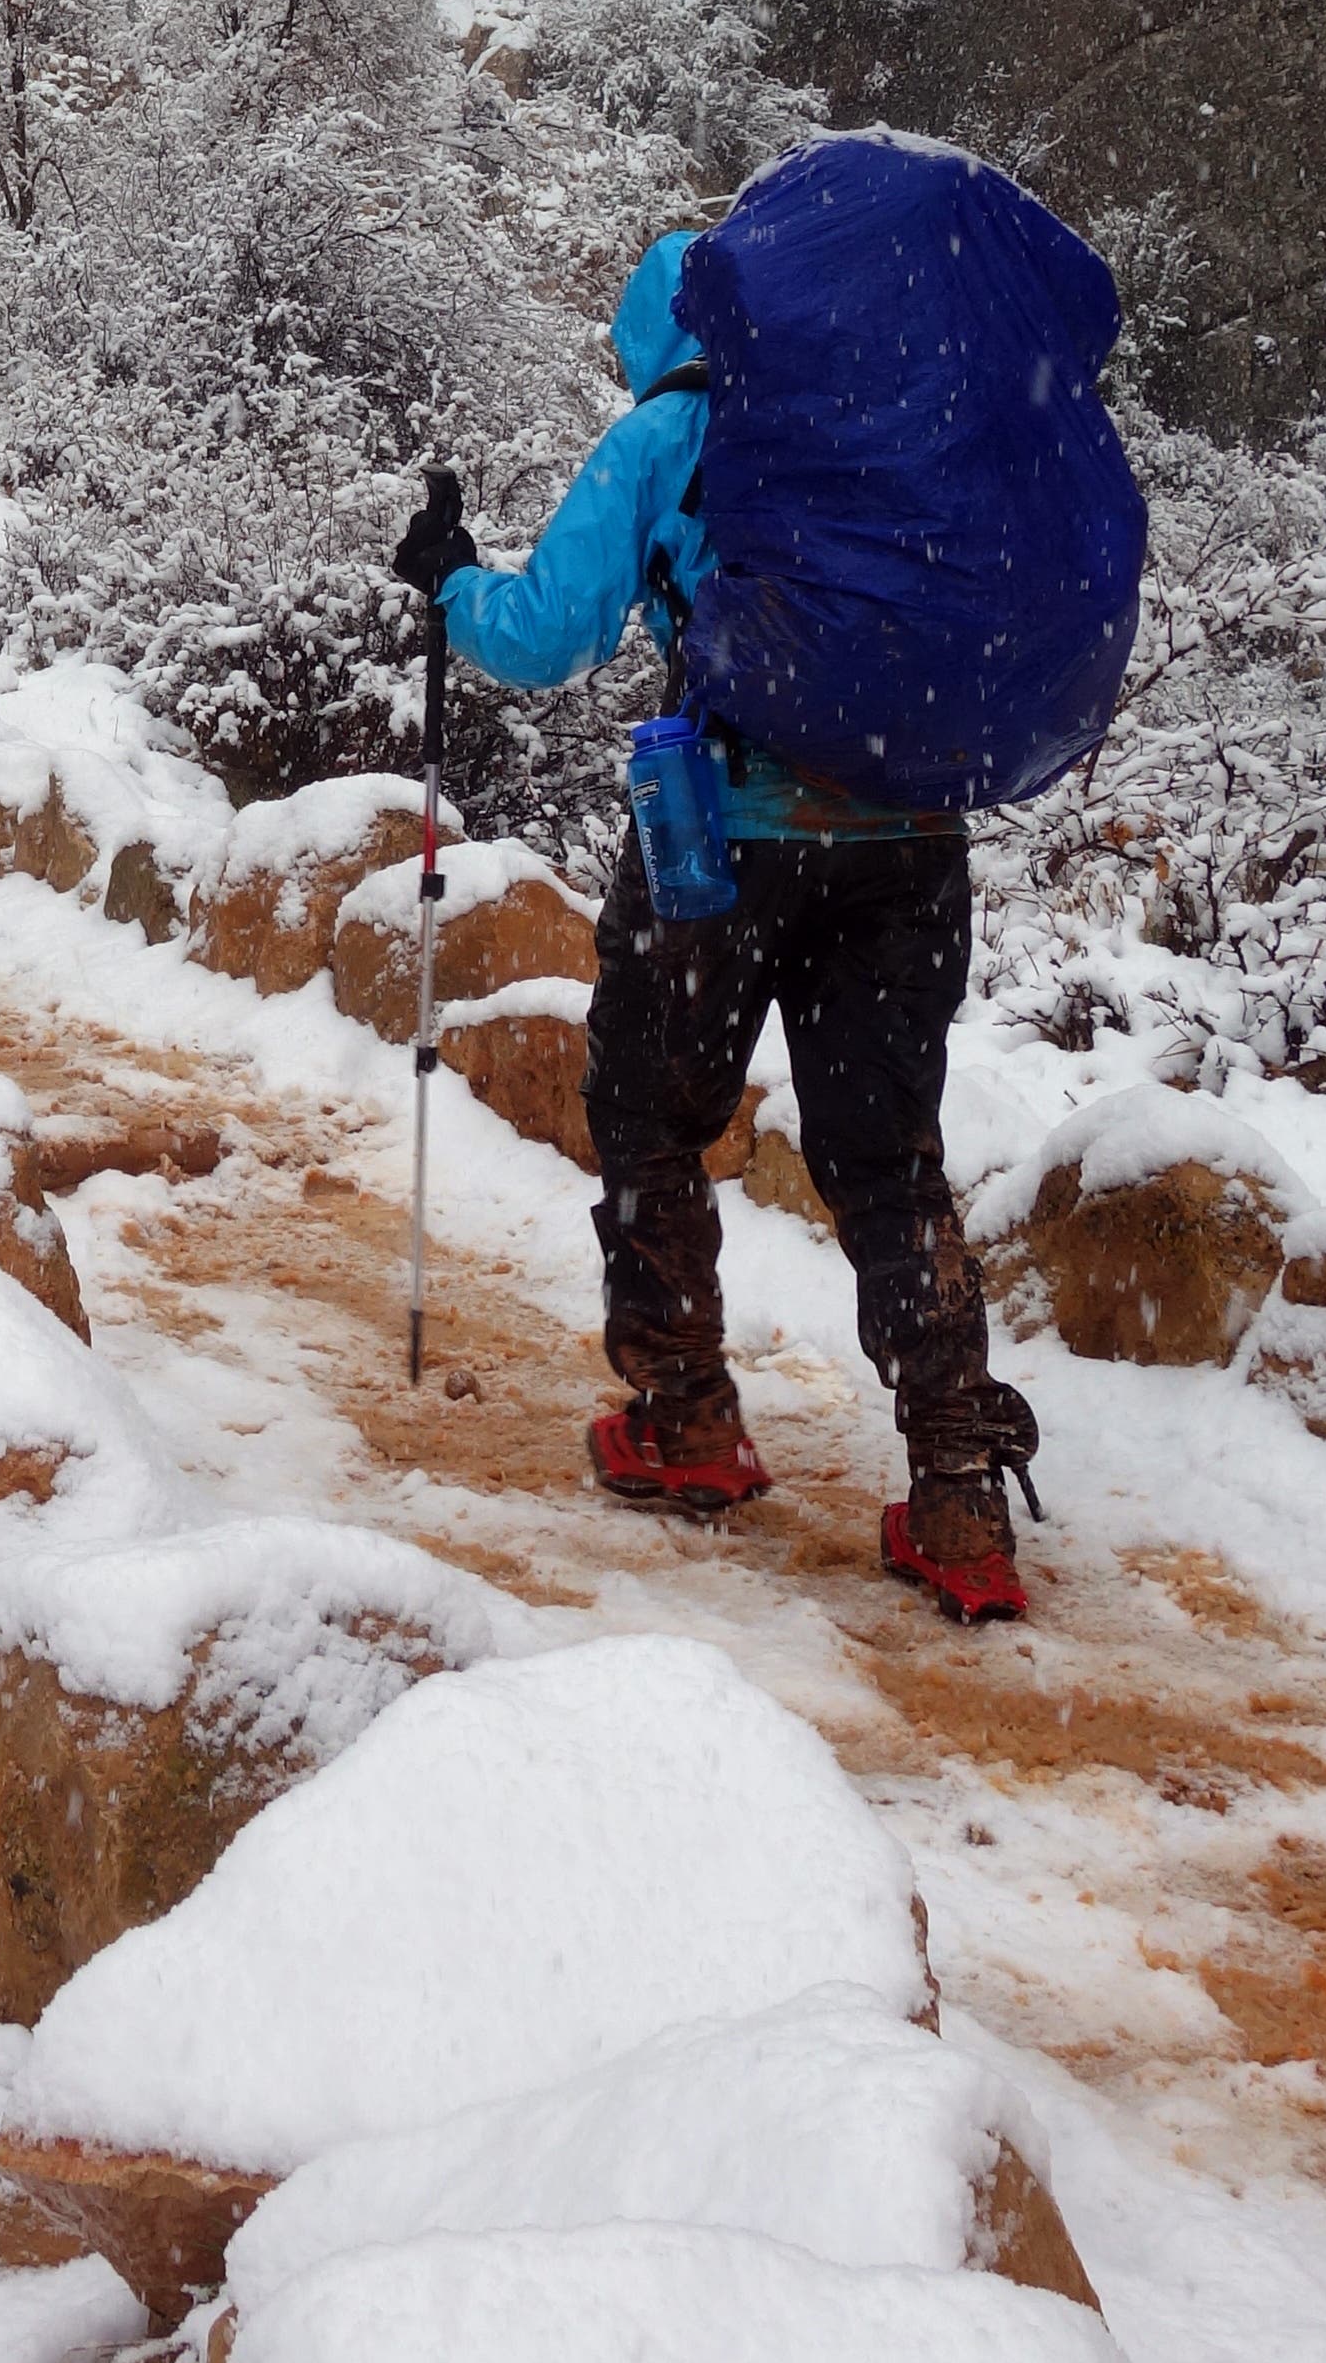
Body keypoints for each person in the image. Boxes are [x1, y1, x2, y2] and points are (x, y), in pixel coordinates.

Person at [405, 231, 1041, 1627]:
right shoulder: (893, 428)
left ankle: (688, 1414)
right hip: (911, 842)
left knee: (645, 1107)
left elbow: (545, 632)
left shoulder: (670, 432)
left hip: (724, 844)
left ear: (658, 329)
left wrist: (451, 583)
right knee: (888, 1164)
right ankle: (957, 1495)